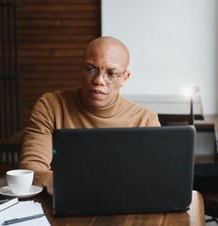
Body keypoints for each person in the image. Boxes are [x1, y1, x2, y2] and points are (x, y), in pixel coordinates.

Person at [19, 36, 161, 195]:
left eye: (111, 73)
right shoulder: (51, 106)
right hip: (65, 198)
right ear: (81, 69)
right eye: (91, 69)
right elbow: (32, 167)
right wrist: (51, 180)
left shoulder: (145, 120)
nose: (99, 80)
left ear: (125, 78)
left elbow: (155, 179)